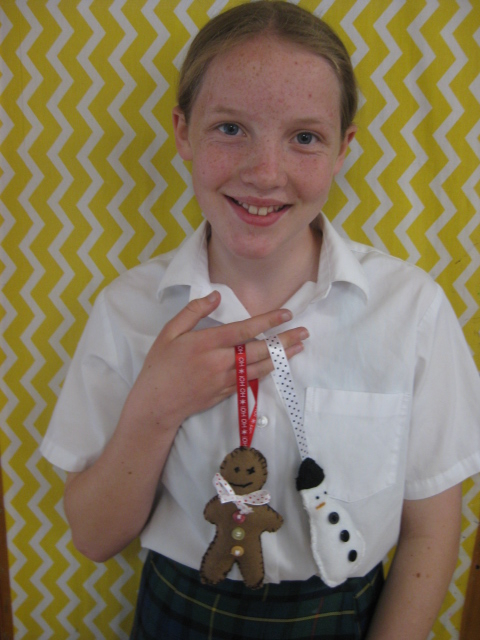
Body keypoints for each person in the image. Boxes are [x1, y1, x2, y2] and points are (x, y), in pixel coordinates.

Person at [40, 2, 480, 638]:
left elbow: (431, 533)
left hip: (343, 616)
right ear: (183, 133)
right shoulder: (128, 309)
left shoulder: (410, 309)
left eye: (305, 138)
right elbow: (93, 536)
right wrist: (157, 407)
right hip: (178, 614)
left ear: (342, 149)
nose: (265, 173)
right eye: (230, 128)